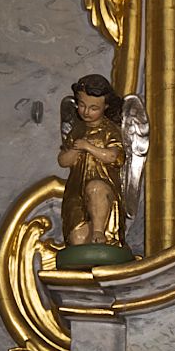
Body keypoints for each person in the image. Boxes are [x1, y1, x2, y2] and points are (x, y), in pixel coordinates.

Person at [58, 74, 126, 248]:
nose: (86, 112)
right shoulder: (77, 130)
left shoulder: (110, 130)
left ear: (106, 106)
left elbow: (113, 156)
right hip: (76, 191)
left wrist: (88, 147)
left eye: (93, 108)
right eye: (82, 105)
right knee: (78, 240)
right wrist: (75, 149)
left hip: (103, 188)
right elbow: (63, 161)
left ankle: (99, 232)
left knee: (95, 188)